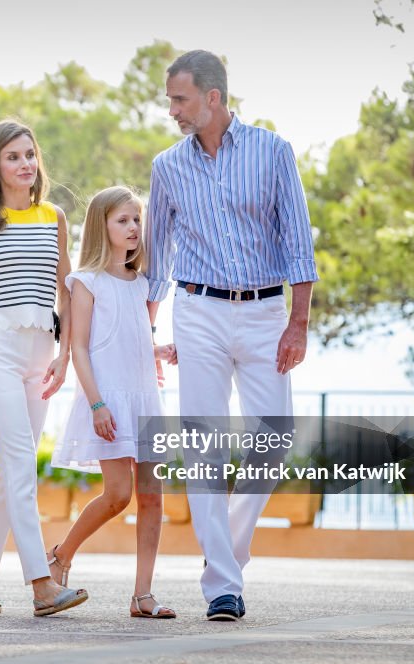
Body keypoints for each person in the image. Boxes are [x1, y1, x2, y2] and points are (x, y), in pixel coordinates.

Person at [145, 51, 318, 621]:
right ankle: (223, 583)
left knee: (274, 440)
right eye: (171, 99)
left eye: (180, 99)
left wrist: (299, 322)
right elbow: (157, 257)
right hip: (197, 312)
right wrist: (146, 328)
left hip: (267, 311)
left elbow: (297, 241)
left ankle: (229, 555)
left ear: (213, 98)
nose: (172, 110)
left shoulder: (273, 152)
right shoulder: (167, 166)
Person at [0, 119, 88, 617]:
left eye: (30, 154)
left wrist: (66, 355)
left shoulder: (54, 217)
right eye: (13, 156)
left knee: (12, 475)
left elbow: (67, 293)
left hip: (41, 355)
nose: (25, 164)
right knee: (21, 467)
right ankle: (41, 583)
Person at [48, 186, 179, 619]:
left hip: (145, 399)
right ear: (101, 225)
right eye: (123, 220)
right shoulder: (86, 281)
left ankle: (143, 595)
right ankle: (61, 555)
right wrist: (96, 404)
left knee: (152, 497)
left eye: (137, 220)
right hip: (107, 401)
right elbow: (82, 348)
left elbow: (133, 336)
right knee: (118, 494)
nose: (134, 228)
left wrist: (159, 352)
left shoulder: (142, 284)